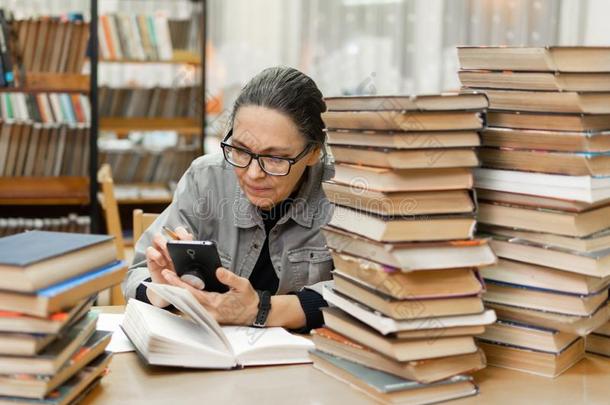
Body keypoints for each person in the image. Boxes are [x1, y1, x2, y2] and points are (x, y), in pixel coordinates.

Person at [123, 66, 335, 331]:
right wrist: (163, 290)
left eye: (275, 158)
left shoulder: (345, 194)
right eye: (241, 150)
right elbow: (135, 275)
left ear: (314, 152)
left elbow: (367, 299)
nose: (253, 174)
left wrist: (260, 310)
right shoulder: (206, 178)